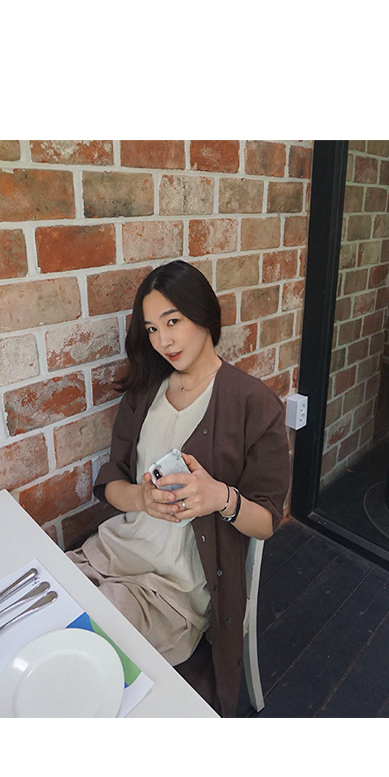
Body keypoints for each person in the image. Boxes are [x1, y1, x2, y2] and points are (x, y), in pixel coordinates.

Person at [67, 260, 290, 716]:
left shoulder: (253, 403)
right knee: (51, 618)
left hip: (172, 590)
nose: (163, 341)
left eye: (173, 322)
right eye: (152, 329)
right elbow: (111, 482)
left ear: (204, 314)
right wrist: (141, 498)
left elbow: (266, 521)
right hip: (110, 554)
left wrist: (219, 498)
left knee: (85, 657)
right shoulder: (145, 391)